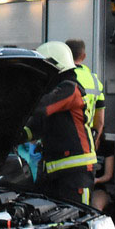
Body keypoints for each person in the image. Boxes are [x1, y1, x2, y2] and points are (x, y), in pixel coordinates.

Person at [21, 42, 96, 207]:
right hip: (55, 173)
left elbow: (40, 107)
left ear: (54, 66)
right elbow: (38, 126)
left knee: (75, 222)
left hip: (75, 175)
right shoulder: (61, 90)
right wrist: (15, 136)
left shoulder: (69, 88)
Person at [66, 39, 105, 144]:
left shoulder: (61, 76)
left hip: (64, 138)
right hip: (87, 141)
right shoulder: (95, 81)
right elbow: (100, 120)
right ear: (83, 56)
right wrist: (94, 140)